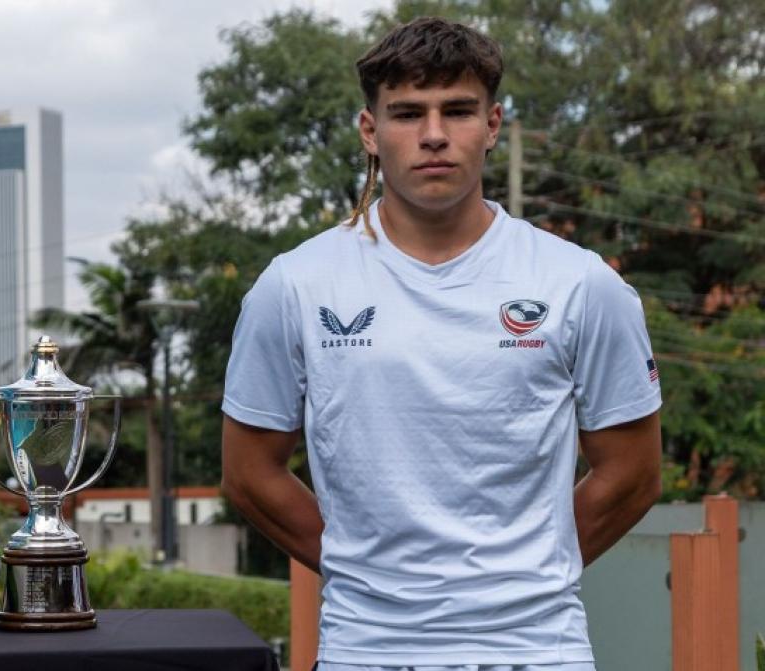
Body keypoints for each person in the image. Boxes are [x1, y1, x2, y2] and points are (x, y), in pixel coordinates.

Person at [220, 17, 661, 670]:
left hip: (538, 648)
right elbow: (249, 473)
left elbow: (633, 474)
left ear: (492, 125)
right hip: (365, 648)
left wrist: (522, 572)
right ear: (371, 131)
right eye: (407, 113)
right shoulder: (295, 286)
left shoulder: (581, 284)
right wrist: (370, 571)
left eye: (457, 110)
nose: (433, 135)